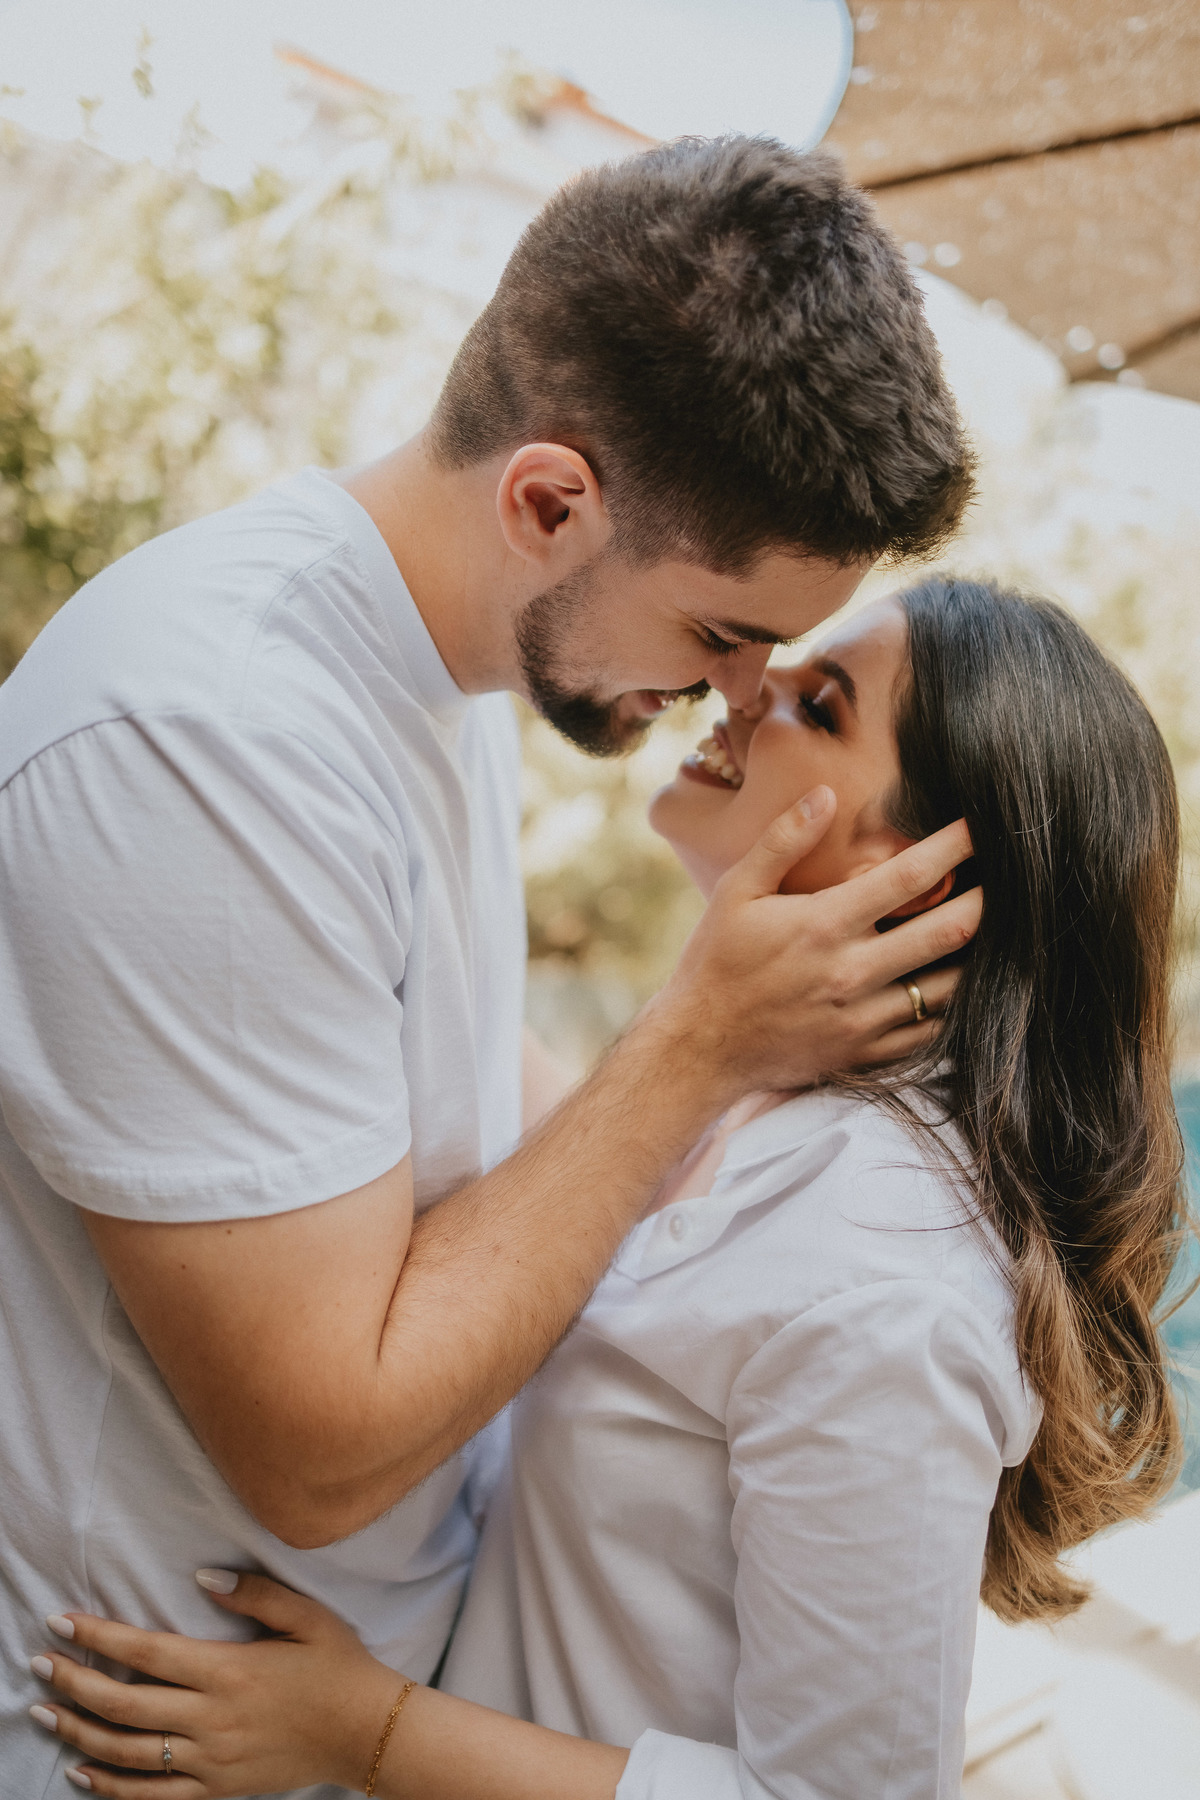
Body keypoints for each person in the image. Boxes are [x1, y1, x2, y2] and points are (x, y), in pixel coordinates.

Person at [0, 137, 978, 1792]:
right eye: (724, 634)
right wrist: (696, 1041)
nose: (741, 695)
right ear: (548, 503)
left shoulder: (441, 683)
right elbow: (321, 1456)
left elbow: (477, 1135)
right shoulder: (207, 741)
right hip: (140, 1747)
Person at [28, 577, 1185, 1799]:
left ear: (915, 881)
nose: (746, 686)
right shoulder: (751, 1106)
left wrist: (358, 1728)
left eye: (821, 704)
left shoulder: (888, 1283)